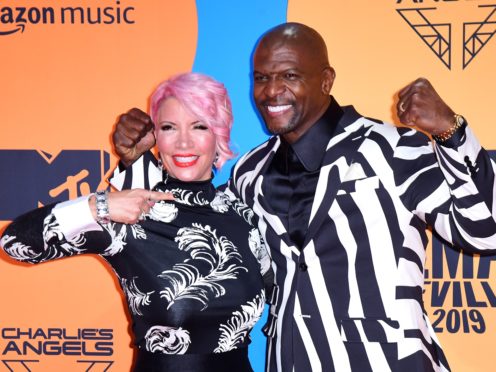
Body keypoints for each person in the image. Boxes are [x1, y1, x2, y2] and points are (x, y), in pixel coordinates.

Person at [89, 24, 496, 371]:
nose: (271, 91)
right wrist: (139, 158)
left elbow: (485, 233)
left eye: (289, 76)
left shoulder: (393, 149)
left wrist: (451, 132)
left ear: (326, 80)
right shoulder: (249, 173)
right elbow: (180, 229)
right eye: (262, 77)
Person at [0, 72, 272, 372]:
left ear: (219, 133)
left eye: (199, 126)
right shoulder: (130, 216)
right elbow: (15, 244)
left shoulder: (242, 213)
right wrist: (97, 205)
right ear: (156, 136)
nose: (183, 141)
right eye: (169, 127)